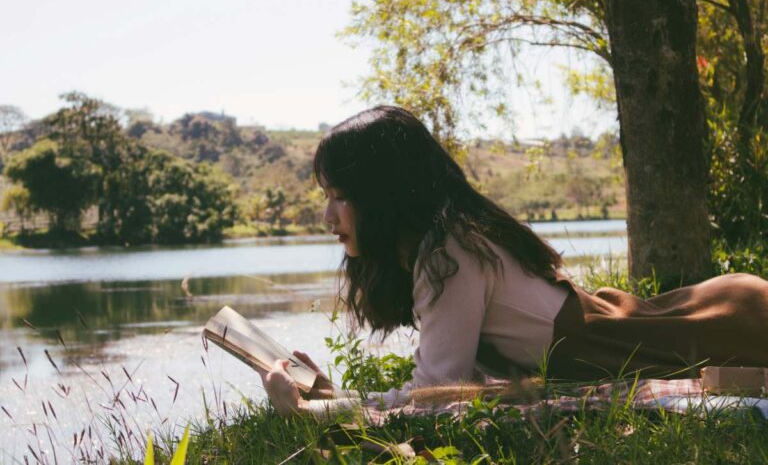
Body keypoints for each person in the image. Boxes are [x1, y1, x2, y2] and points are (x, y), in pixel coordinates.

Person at [261, 105, 768, 417]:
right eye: (326, 194)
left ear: (384, 195)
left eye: (341, 195)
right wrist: (333, 395)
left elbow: (435, 393)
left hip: (729, 326)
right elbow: (453, 385)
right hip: (690, 319)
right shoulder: (443, 243)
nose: (327, 214)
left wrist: (331, 406)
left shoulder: (450, 251)